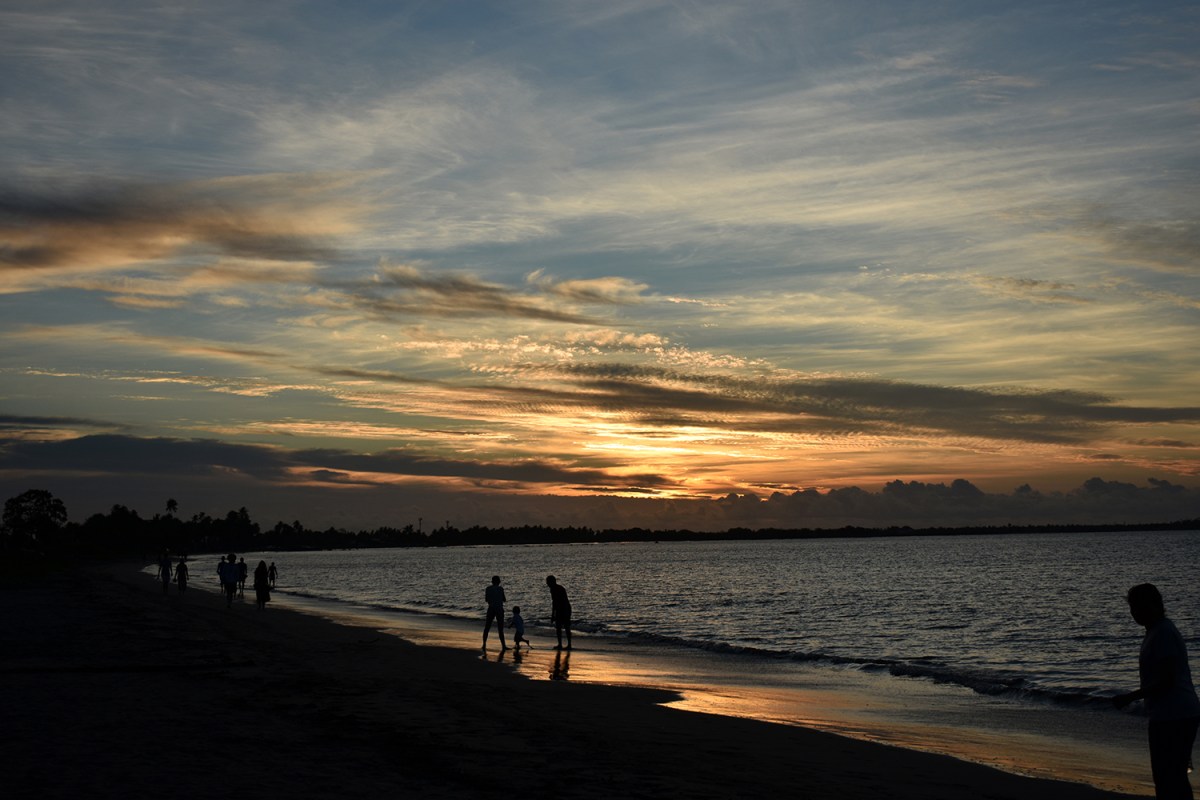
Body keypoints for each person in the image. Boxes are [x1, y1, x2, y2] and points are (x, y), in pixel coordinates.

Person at [1113, 583, 1200, 799]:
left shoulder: (1163, 633)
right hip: (1170, 713)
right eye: (1133, 607)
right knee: (1170, 775)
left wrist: (1130, 697)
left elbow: (1167, 680)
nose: (1136, 612)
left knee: (1169, 776)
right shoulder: (1157, 631)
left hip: (1175, 714)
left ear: (1156, 605)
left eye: (1141, 607)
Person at [546, 575, 572, 650]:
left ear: (552, 582)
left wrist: (553, 614)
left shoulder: (557, 589)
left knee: (566, 627)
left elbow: (556, 602)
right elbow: (554, 602)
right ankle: (561, 644)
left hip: (564, 609)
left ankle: (568, 644)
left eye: (548, 582)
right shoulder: (554, 589)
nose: (547, 584)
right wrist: (553, 614)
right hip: (561, 609)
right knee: (559, 627)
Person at [483, 575, 508, 651]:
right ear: (499, 581)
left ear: (492, 581)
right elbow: (504, 599)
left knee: (487, 627)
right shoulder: (500, 589)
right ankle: (503, 645)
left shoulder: (488, 589)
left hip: (491, 608)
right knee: (500, 628)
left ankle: (484, 644)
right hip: (499, 609)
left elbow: (486, 599)